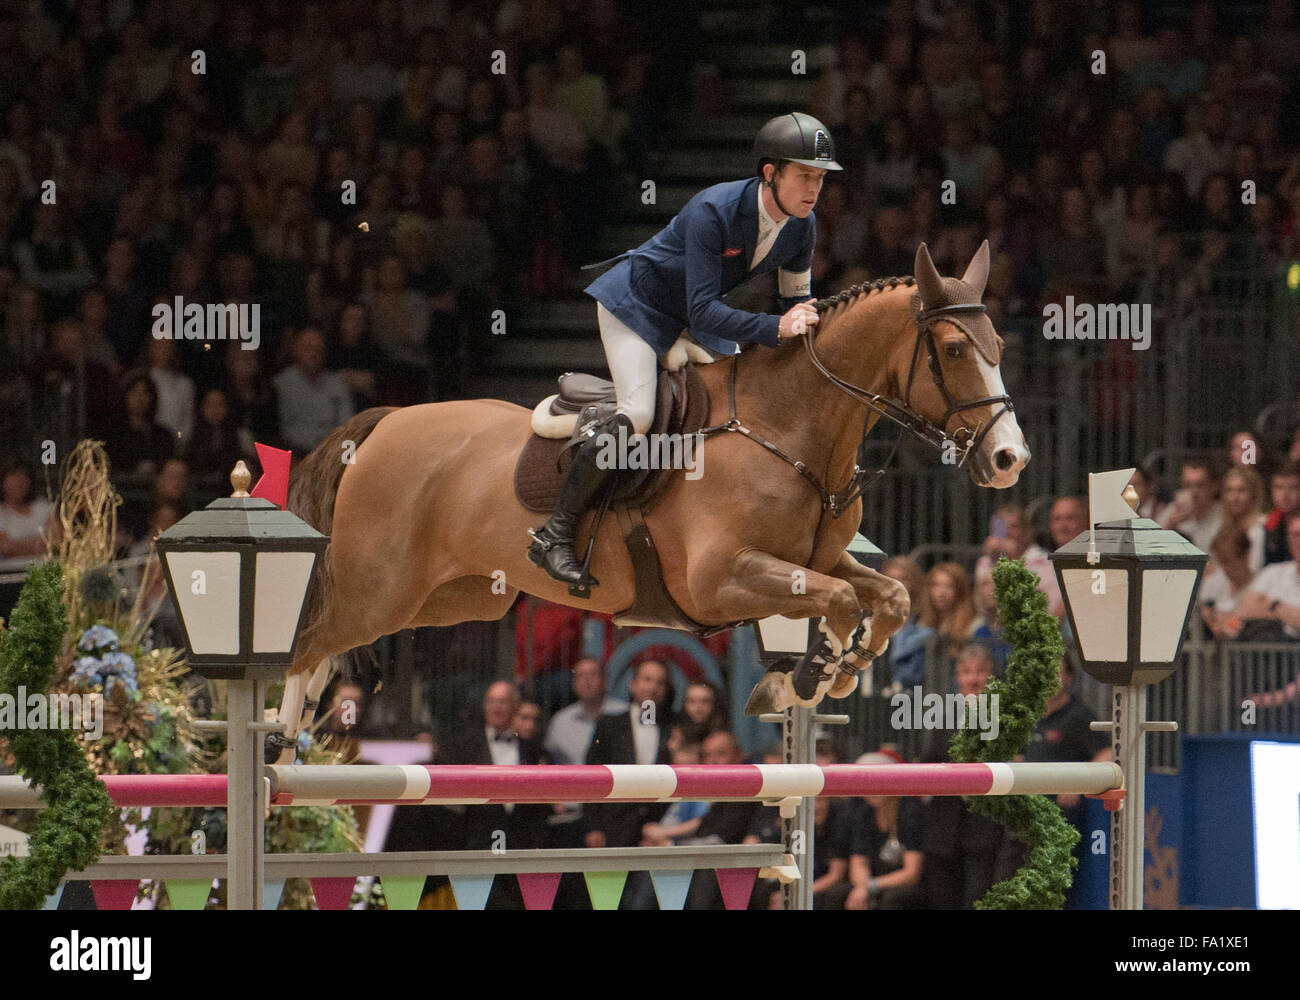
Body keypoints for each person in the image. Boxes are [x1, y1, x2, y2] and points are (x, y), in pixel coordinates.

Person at [527, 112, 842, 588]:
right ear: (770, 173)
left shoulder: (801, 225)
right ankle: (555, 533)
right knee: (638, 414)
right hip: (636, 307)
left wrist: (805, 327)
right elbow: (706, 312)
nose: (813, 188)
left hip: (691, 321)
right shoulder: (712, 210)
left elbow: (796, 300)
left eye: (819, 178)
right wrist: (776, 326)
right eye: (804, 175)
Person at [845, 751, 925, 910]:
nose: (870, 789)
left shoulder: (910, 811)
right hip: (874, 881)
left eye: (875, 781)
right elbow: (858, 862)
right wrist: (862, 887)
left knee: (891, 898)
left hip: (906, 884)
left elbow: (912, 873)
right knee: (840, 894)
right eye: (864, 782)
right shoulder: (864, 812)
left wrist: (871, 885)